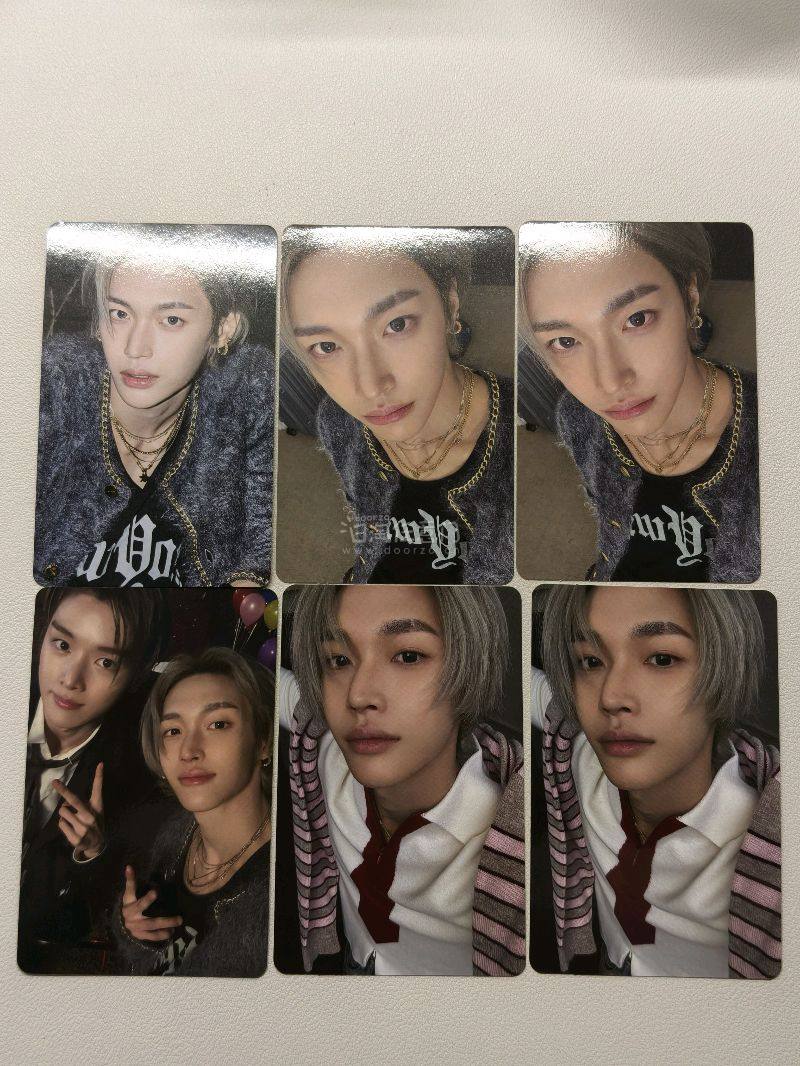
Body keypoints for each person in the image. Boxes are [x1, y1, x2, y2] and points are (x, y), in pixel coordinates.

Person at [532, 584, 780, 979]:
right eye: (591, 661)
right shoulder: (578, 748)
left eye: (662, 659)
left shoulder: (770, 840)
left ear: (727, 666)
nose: (611, 697)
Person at [280, 584, 525, 976]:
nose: (358, 695)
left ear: (470, 666)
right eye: (339, 660)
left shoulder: (508, 842)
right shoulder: (325, 749)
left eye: (408, 656)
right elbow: (278, 690)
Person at [35, 222, 274, 588]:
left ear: (222, 330)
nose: (135, 348)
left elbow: (260, 548)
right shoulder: (52, 386)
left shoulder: (247, 391)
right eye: (120, 313)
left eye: (171, 320)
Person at [518, 222, 759, 582]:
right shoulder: (577, 417)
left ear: (690, 296)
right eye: (565, 342)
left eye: (637, 319)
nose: (611, 382)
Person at [281, 227, 514, 584]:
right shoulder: (337, 421)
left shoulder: (516, 454)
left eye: (397, 324)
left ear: (450, 304)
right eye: (326, 346)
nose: (371, 387)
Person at [19, 588, 169, 973]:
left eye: (104, 662)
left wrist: (92, 853)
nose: (71, 679)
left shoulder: (139, 776)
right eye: (62, 645)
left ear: (136, 674)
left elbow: (75, 926)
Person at [115, 648, 273, 977]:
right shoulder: (173, 833)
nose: (188, 751)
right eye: (173, 731)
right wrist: (133, 929)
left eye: (218, 724)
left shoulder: (284, 888)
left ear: (263, 741)